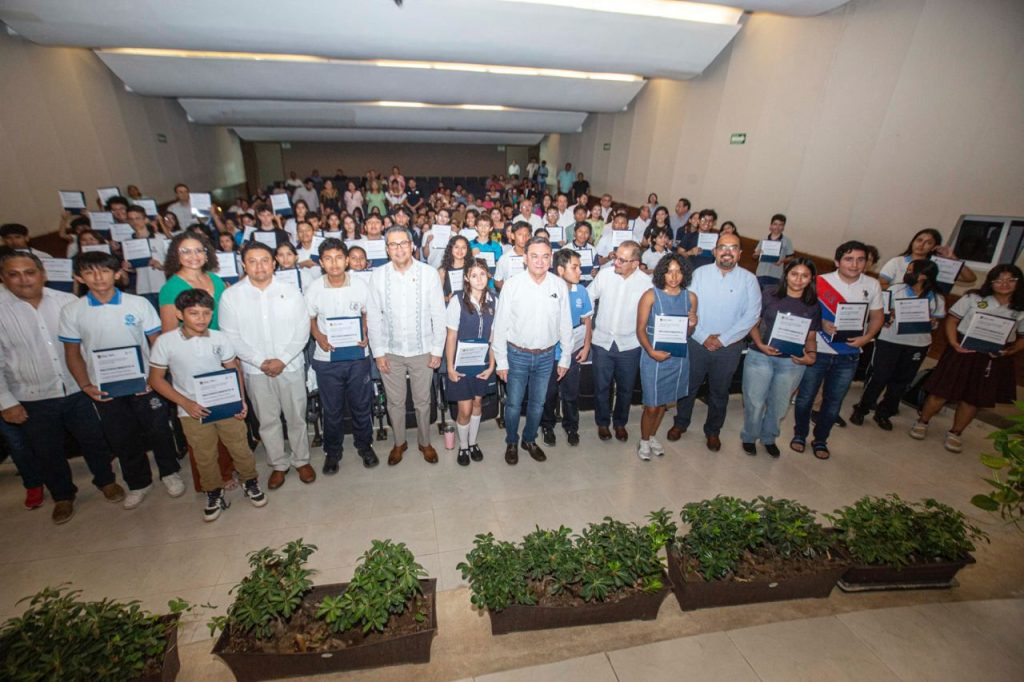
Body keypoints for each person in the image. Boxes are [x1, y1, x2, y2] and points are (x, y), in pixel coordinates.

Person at [0, 251, 125, 523]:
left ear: (42, 274)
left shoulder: (67, 302)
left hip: (78, 387)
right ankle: (63, 495)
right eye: (13, 274)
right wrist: (6, 401)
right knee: (46, 450)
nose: (23, 279)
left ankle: (106, 480)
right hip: (31, 395)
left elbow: (89, 345)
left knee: (94, 439)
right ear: (3, 278)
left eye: (29, 272)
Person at [59, 251, 184, 509]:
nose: (98, 277)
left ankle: (170, 472)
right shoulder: (72, 311)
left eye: (105, 271)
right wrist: (86, 386)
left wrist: (155, 377)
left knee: (159, 430)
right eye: (90, 272)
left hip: (145, 382)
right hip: (105, 388)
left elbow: (156, 343)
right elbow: (72, 353)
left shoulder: (137, 304)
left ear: (117, 274)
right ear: (79, 277)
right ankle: (138, 483)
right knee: (121, 436)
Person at [149, 290, 267, 521]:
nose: (201, 318)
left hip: (225, 403)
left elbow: (233, 369)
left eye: (206, 313)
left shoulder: (219, 338)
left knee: (240, 446)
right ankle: (213, 491)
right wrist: (185, 402)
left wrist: (240, 400)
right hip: (191, 410)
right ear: (180, 314)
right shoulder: (166, 342)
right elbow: (155, 380)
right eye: (194, 313)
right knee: (204, 454)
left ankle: (250, 482)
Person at [219, 241, 315, 489]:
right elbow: (231, 336)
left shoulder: (291, 291)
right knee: (267, 421)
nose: (259, 266)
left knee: (296, 417)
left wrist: (282, 359)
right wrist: (260, 362)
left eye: (264, 260)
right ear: (244, 265)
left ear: (274, 263)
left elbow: (302, 329)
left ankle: (301, 460)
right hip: (255, 370)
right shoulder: (231, 296)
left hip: (290, 366)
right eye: (252, 261)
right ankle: (278, 464)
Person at [911, 265, 1024, 452]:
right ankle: (922, 421)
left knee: (974, 398)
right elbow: (952, 320)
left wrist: (1010, 351)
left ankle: (956, 432)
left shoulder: (1020, 308)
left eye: (1010, 280)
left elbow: (1022, 338)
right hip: (963, 350)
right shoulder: (974, 298)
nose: (1004, 284)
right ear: (991, 282)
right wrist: (954, 343)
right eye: (999, 280)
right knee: (941, 390)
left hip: (993, 356)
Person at [668, 233, 761, 451]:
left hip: (729, 347)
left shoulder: (749, 280)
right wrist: (703, 337)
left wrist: (723, 340)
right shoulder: (699, 274)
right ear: (715, 251)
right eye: (722, 247)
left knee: (719, 392)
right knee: (688, 387)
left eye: (733, 247)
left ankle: (713, 431)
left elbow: (752, 316)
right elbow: (687, 307)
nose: (727, 252)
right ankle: (681, 423)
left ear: (740, 253)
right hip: (697, 342)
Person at [791, 240, 884, 459]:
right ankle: (799, 434)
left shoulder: (872, 285)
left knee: (833, 402)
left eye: (860, 260)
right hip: (818, 350)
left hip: (848, 354)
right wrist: (822, 324)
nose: (855, 264)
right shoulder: (820, 282)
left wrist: (867, 338)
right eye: (849, 259)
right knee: (805, 398)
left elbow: (877, 317)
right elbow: (804, 311)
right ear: (837, 261)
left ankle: (821, 439)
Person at [366, 226, 447, 466]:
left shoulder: (428, 274)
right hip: (390, 351)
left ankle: (425, 442)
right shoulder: (378, 276)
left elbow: (438, 315)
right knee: (395, 403)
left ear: (412, 246)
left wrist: (437, 350)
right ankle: (399, 442)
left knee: (423, 402)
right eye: (393, 244)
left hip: (423, 350)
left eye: (403, 243)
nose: (399, 248)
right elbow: (373, 317)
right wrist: (378, 353)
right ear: (387, 249)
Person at [492, 237, 573, 464]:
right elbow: (500, 326)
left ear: (551, 259)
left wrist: (565, 357)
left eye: (545, 256)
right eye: (534, 256)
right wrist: (501, 361)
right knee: (513, 404)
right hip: (516, 355)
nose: (540, 261)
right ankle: (511, 441)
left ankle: (529, 439)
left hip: (547, 356)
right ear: (525, 258)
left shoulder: (558, 285)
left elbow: (565, 323)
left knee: (538, 404)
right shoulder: (512, 285)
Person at [305, 238, 378, 473]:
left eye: (338, 257)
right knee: (332, 409)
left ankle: (365, 446)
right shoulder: (314, 288)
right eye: (328, 258)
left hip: (357, 356)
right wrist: (318, 336)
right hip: (327, 359)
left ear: (346, 260)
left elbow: (368, 313)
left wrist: (365, 330)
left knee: (361, 405)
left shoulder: (360, 285)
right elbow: (309, 319)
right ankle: (333, 452)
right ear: (321, 263)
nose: (334, 263)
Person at [851, 259, 944, 430]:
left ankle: (885, 413)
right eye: (907, 270)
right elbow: (881, 313)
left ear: (924, 276)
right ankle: (862, 408)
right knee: (879, 376)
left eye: (911, 271)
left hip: (917, 344)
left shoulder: (936, 298)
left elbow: (937, 322)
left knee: (901, 380)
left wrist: (932, 322)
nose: (907, 274)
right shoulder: (896, 290)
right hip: (890, 340)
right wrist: (889, 316)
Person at [741, 259, 820, 457]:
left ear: (811, 279)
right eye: (794, 274)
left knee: (779, 405)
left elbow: (811, 336)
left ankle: (769, 438)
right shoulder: (769, 294)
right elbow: (752, 323)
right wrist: (759, 344)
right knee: (754, 401)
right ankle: (749, 436)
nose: (798, 280)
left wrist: (811, 355)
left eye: (804, 276)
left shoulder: (812, 304)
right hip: (760, 355)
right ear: (786, 275)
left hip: (792, 362)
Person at [587, 240, 652, 442]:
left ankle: (620, 423)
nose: (616, 262)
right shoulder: (605, 275)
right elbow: (588, 296)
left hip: (630, 345)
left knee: (625, 388)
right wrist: (589, 320)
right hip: (602, 342)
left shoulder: (646, 283)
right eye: (616, 257)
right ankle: (603, 423)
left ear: (635, 263)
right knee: (601, 387)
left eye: (622, 260)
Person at [636, 253, 697, 460]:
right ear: (662, 273)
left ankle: (652, 436)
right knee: (652, 405)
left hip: (678, 357)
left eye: (678, 271)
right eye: (669, 271)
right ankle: (644, 440)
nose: (674, 276)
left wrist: (693, 323)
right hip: (653, 355)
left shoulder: (690, 298)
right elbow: (640, 330)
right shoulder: (650, 296)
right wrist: (651, 351)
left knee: (663, 403)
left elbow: (687, 334)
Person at [444, 259, 497, 466]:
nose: (479, 279)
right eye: (474, 275)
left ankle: (473, 443)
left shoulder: (494, 300)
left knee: (477, 404)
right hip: (461, 364)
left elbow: (493, 337)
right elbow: (451, 336)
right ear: (466, 278)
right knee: (464, 410)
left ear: (488, 276)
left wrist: (491, 365)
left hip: (482, 363)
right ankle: (463, 446)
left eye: (482, 274)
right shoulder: (457, 300)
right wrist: (450, 367)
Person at [539, 249, 593, 447]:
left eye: (579, 267)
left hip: (573, 352)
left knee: (571, 393)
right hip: (550, 354)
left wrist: (586, 346)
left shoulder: (582, 291)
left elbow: (587, 321)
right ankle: (547, 426)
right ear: (561, 270)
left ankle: (571, 426)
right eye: (575, 267)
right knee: (549, 393)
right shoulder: (547, 290)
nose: (580, 271)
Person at [878, 228, 977, 288]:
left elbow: (970, 278)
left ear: (934, 247)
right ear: (913, 242)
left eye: (928, 243)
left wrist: (953, 259)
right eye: (919, 240)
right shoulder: (897, 261)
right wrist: (903, 290)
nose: (921, 245)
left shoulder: (936, 265)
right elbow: (881, 285)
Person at [754, 214, 795, 289]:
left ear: (783, 227)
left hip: (776, 275)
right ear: (771, 226)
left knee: (771, 295)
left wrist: (782, 261)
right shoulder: (763, 239)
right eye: (775, 224)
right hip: (760, 273)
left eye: (780, 225)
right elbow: (754, 256)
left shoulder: (787, 241)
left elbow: (791, 258)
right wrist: (756, 254)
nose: (777, 227)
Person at [494, 222, 530, 290]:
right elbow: (497, 280)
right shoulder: (504, 258)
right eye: (520, 234)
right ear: (513, 236)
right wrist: (508, 289)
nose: (524, 238)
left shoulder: (535, 257)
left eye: (527, 235)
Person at [439, 235, 471, 303]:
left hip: (469, 305)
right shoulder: (443, 271)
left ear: (467, 250)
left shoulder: (472, 268)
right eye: (456, 247)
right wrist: (447, 298)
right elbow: (436, 295)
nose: (460, 250)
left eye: (463, 247)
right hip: (451, 306)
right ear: (451, 248)